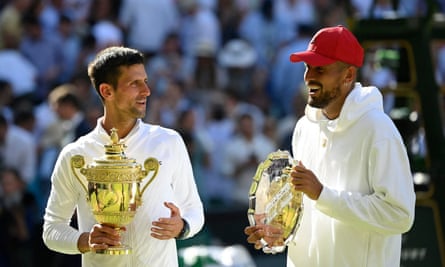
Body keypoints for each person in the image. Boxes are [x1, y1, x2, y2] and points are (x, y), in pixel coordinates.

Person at [244, 25, 416, 267]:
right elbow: (305, 213)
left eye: (320, 69)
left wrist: (323, 195)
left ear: (348, 75)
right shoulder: (304, 128)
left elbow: (400, 215)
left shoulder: (379, 129)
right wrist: (279, 232)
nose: (308, 77)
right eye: (307, 67)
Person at [42, 46, 205, 266]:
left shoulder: (169, 141)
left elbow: (194, 210)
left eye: (145, 81)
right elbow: (52, 229)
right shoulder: (74, 155)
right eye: (134, 84)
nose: (146, 91)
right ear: (107, 91)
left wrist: (182, 226)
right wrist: (86, 240)